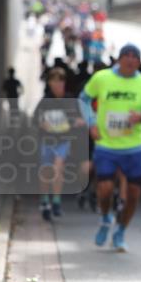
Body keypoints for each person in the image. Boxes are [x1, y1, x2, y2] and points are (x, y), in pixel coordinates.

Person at [79, 43, 141, 251]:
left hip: (134, 148)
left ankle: (121, 230)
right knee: (105, 188)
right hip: (106, 144)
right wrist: (91, 123)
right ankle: (106, 217)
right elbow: (83, 100)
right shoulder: (102, 78)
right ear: (119, 58)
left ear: (139, 62)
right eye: (127, 55)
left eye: (135, 57)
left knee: (133, 194)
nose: (131, 60)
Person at [33, 68, 85, 220]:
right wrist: (42, 123)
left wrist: (75, 122)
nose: (58, 84)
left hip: (63, 140)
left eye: (60, 80)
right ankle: (44, 200)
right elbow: (35, 119)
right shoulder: (45, 101)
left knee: (57, 168)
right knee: (46, 171)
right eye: (54, 80)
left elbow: (81, 118)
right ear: (49, 83)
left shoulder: (70, 100)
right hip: (47, 140)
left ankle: (56, 201)